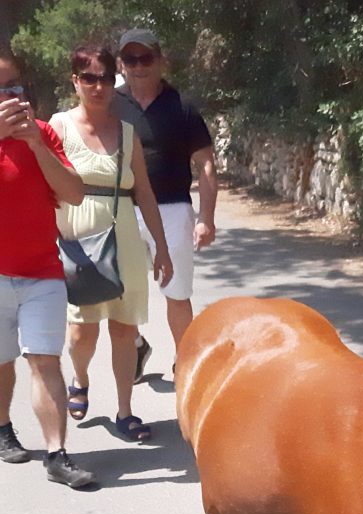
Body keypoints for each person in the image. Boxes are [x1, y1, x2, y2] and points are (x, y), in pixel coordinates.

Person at [50, 45, 173, 443]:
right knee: (81, 335)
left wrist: (163, 247)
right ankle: (80, 379)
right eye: (89, 78)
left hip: (124, 246)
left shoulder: (127, 133)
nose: (98, 86)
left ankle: (125, 411)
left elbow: (146, 194)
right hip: (79, 246)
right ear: (75, 81)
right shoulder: (59, 127)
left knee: (124, 330)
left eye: (104, 78)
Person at [0, 48, 95, 487]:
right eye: (1, 90)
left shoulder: (43, 134)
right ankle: (3, 430)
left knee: (44, 361)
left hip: (42, 272)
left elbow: (74, 193)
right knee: (1, 362)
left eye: (15, 87)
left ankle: (57, 454)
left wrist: (36, 144)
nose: (10, 96)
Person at [112, 27, 218, 381]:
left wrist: (206, 217)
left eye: (146, 58)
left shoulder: (182, 107)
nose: (138, 66)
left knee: (176, 292)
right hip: (122, 211)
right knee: (121, 294)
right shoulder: (111, 104)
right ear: (120, 63)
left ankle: (185, 363)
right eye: (131, 58)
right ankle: (137, 345)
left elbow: (205, 164)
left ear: (160, 61)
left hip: (172, 210)